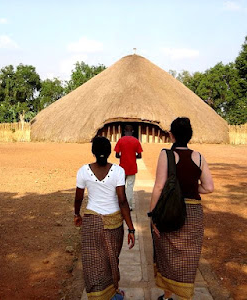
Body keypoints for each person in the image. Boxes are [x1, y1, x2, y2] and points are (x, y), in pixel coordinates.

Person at [149, 117, 214, 300]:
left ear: (171, 135)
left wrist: (152, 214)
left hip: (170, 211)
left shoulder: (167, 155)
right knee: (189, 257)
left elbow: (159, 187)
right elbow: (209, 187)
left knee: (167, 253)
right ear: (190, 136)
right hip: (193, 214)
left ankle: (167, 296)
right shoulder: (199, 157)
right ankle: (185, 296)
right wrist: (192, 189)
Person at [74, 136, 136, 300]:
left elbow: (79, 198)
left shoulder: (83, 171)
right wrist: (130, 228)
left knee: (93, 261)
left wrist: (76, 214)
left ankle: (97, 295)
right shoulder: (118, 171)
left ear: (93, 152)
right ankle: (114, 292)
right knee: (111, 259)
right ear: (109, 152)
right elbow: (122, 201)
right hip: (114, 223)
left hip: (91, 221)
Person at [114, 125, 143, 211]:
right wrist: (133, 156)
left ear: (124, 131)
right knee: (130, 187)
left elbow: (116, 155)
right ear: (133, 131)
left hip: (122, 167)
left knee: (121, 187)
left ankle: (120, 204)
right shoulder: (136, 141)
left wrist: (123, 156)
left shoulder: (120, 140)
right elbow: (139, 155)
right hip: (132, 167)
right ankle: (129, 206)